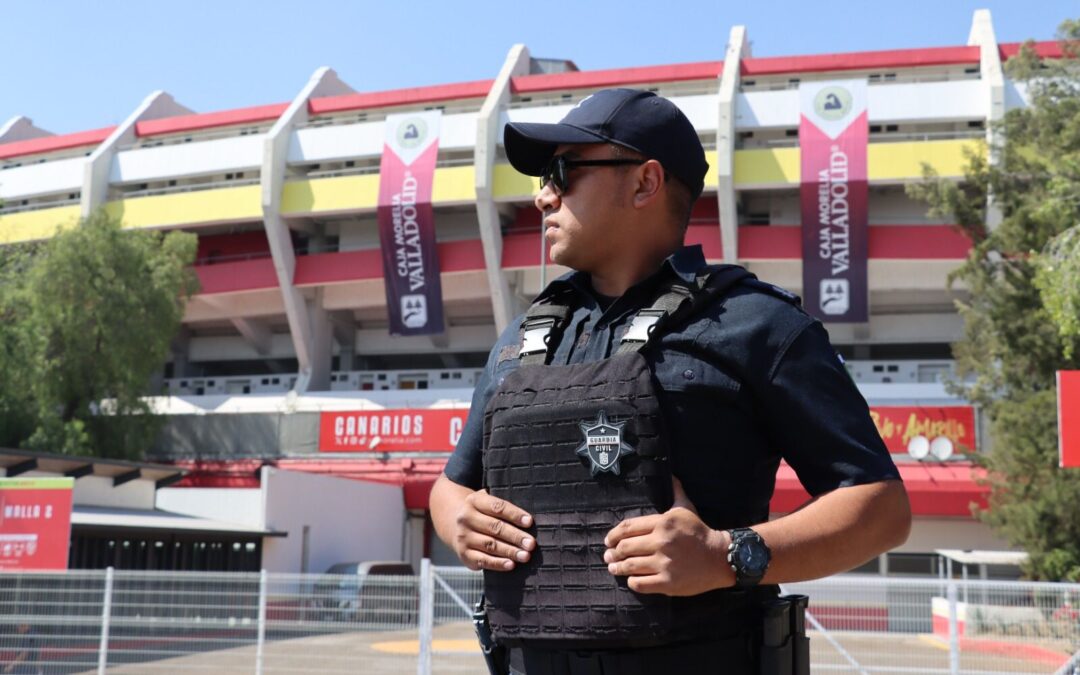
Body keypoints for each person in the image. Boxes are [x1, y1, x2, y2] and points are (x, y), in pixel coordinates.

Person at [430, 88, 911, 674]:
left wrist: (726, 556)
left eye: (562, 171)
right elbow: (450, 485)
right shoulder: (522, 339)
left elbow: (881, 507)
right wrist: (457, 518)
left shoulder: (758, 324)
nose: (541, 196)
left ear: (644, 183)